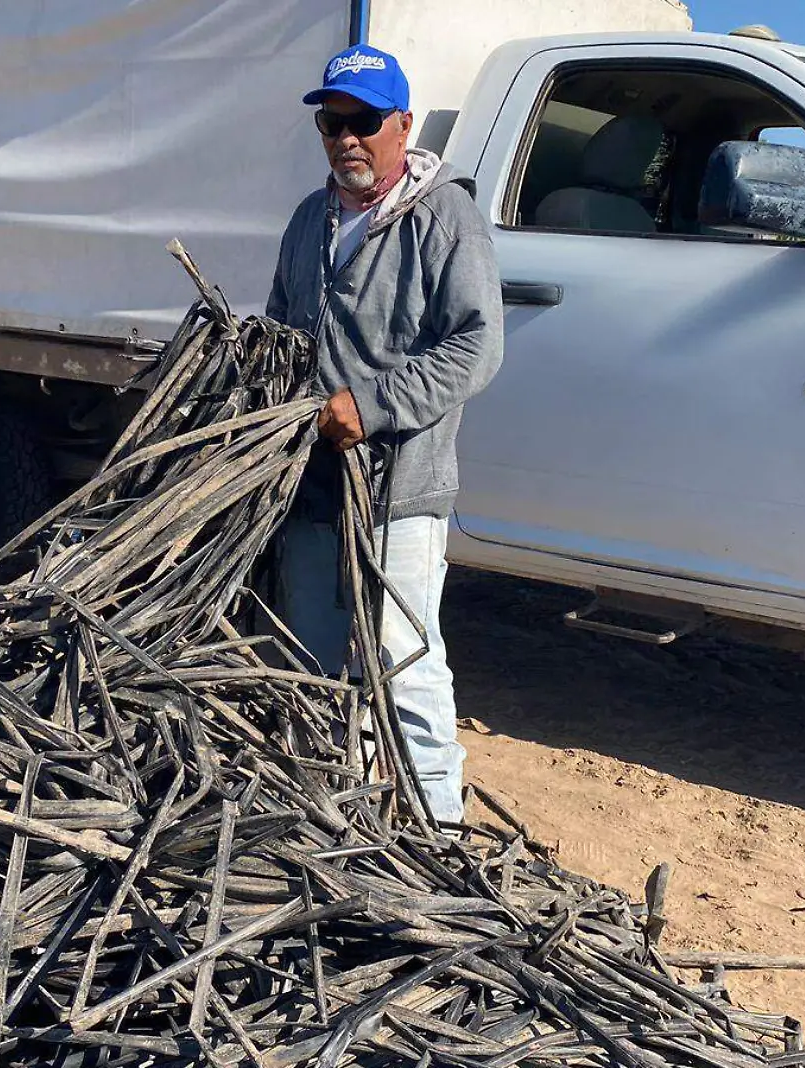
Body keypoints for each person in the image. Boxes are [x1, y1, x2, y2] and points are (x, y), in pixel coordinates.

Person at [264, 43, 504, 826]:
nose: (346, 139)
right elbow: (279, 331)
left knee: (404, 670)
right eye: (332, 122)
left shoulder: (446, 218)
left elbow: (477, 346)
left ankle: (439, 836)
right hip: (309, 491)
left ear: (402, 125)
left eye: (363, 122)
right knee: (309, 665)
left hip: (399, 492)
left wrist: (370, 407)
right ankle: (324, 826)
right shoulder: (310, 220)